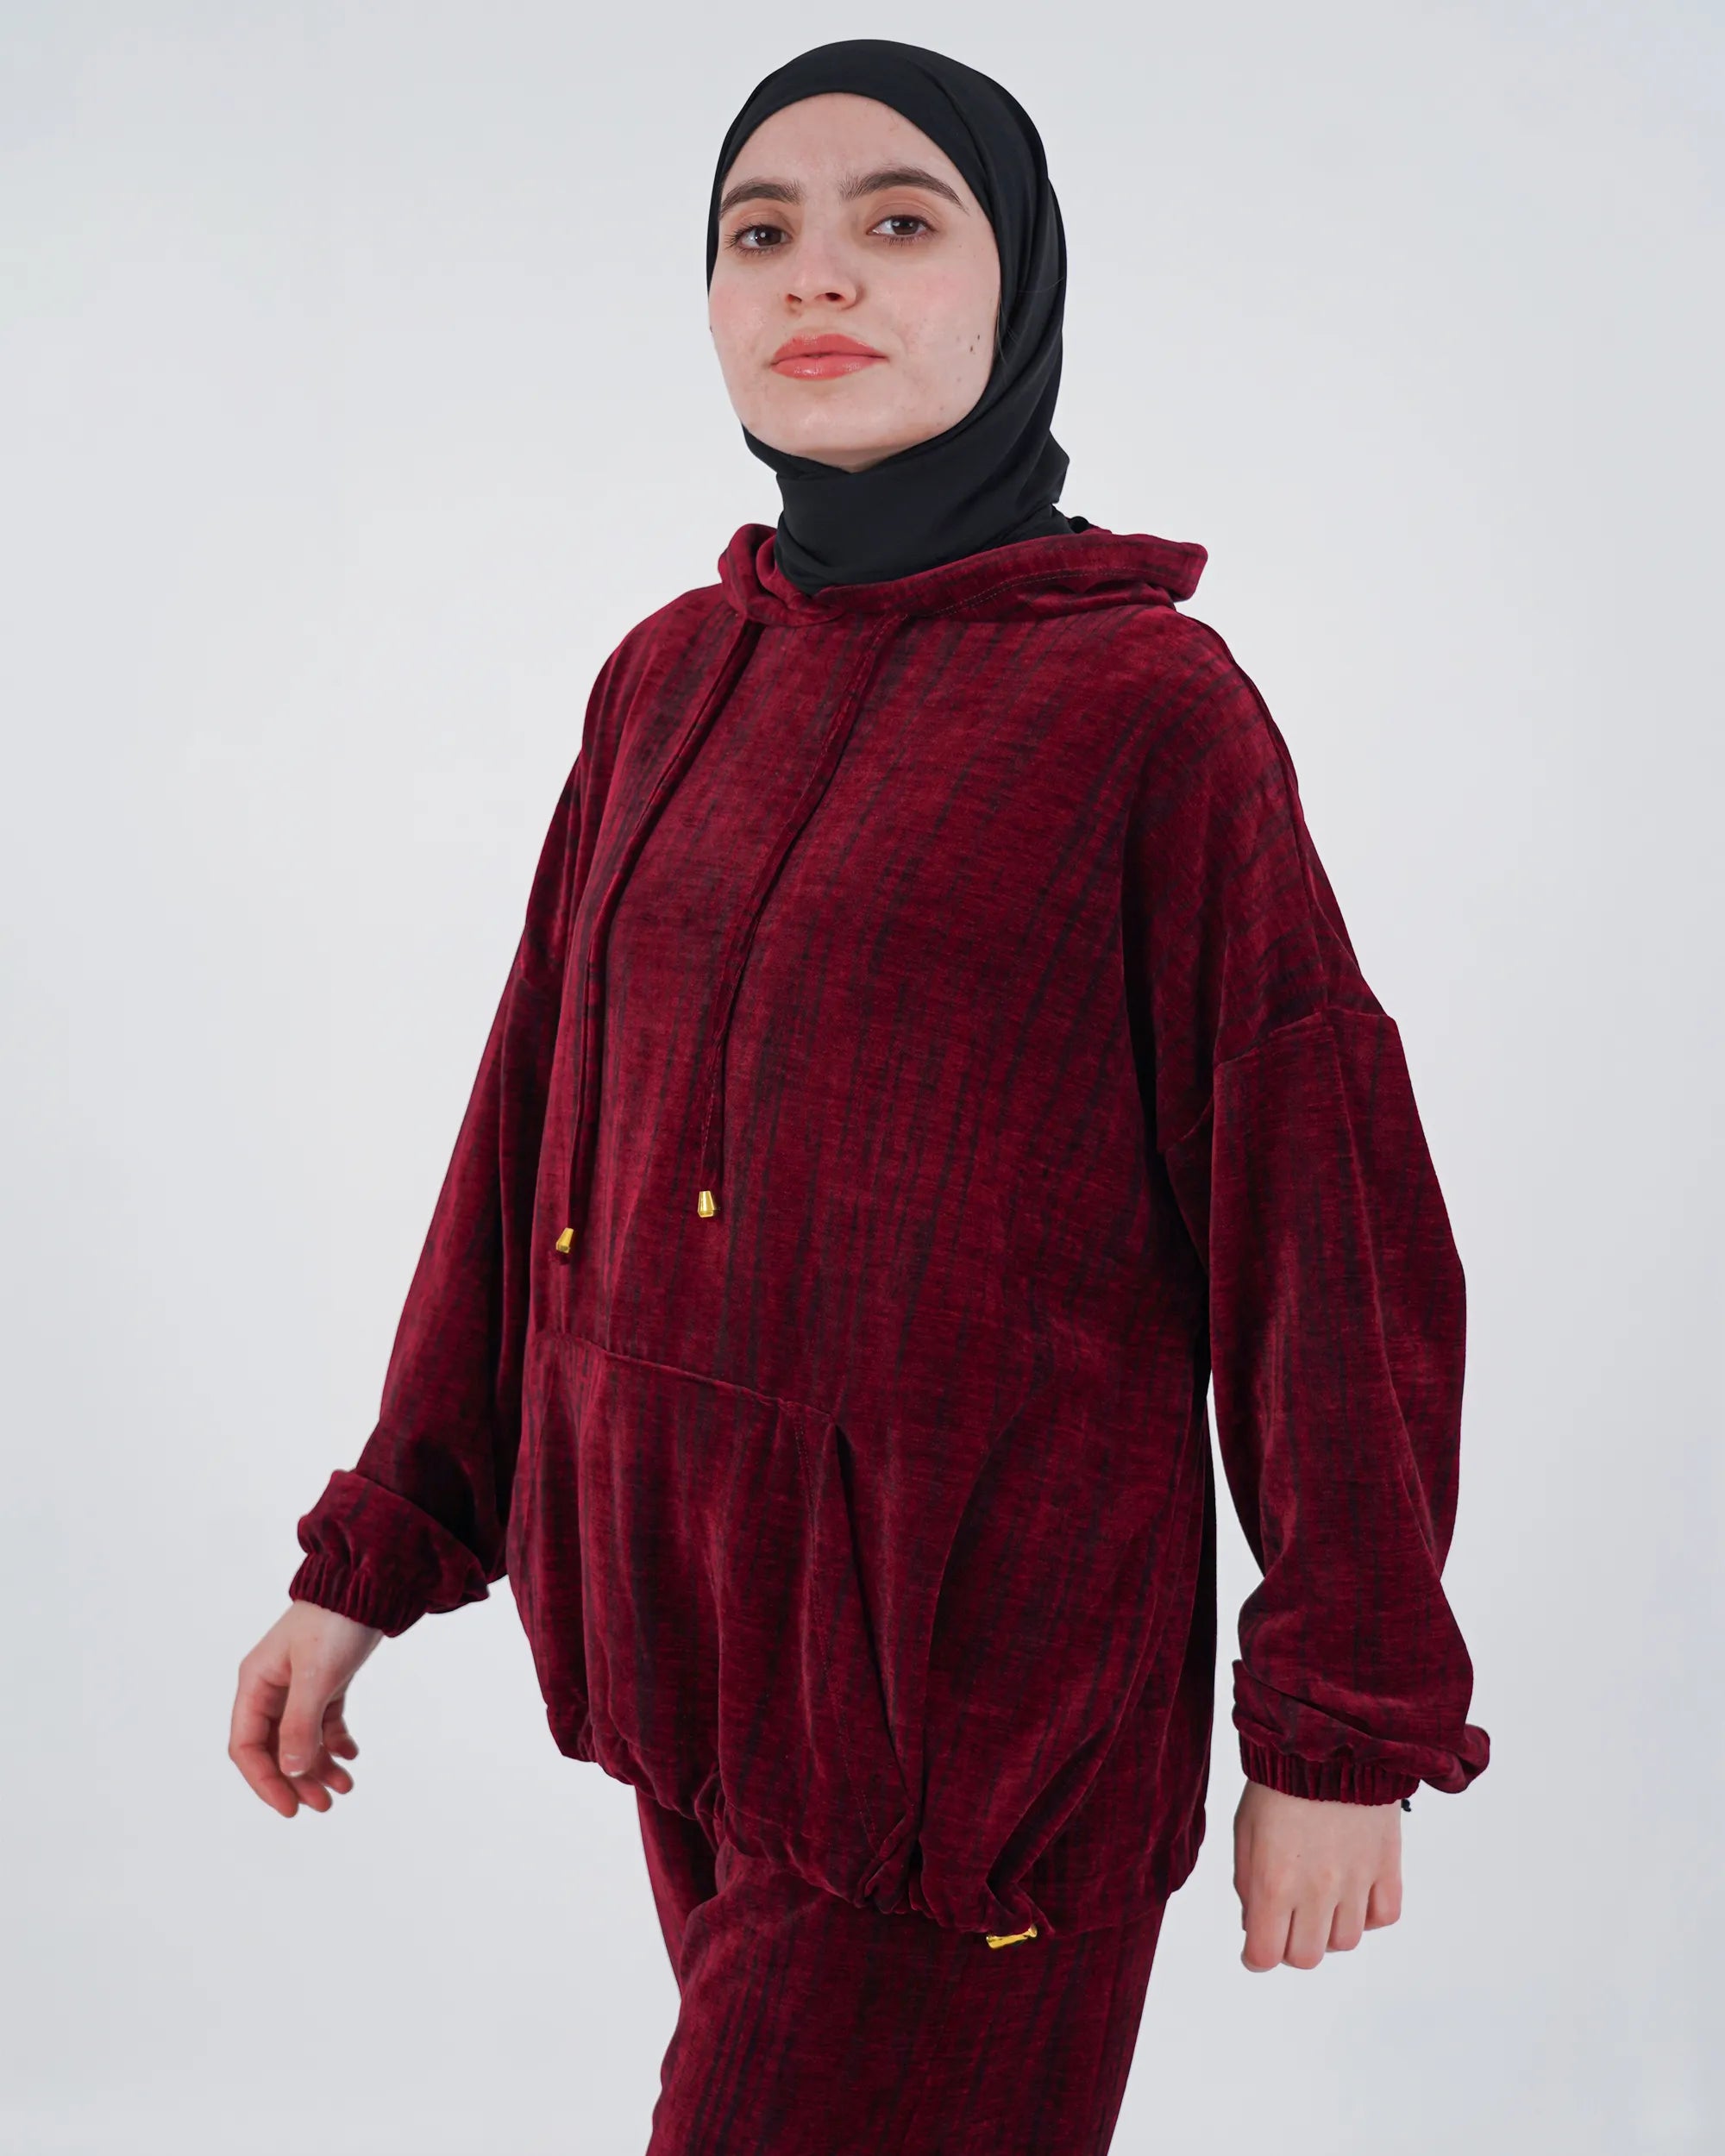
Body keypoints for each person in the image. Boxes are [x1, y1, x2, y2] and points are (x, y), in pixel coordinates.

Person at [229, 38, 1490, 2154]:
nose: (817, 274)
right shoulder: (667, 676)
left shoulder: (1148, 715)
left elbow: (1325, 1223)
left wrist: (1341, 1721)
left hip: (982, 1737)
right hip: (703, 1680)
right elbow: (531, 1131)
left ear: (1018, 284)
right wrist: (372, 1551)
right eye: (760, 231)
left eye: (899, 220)